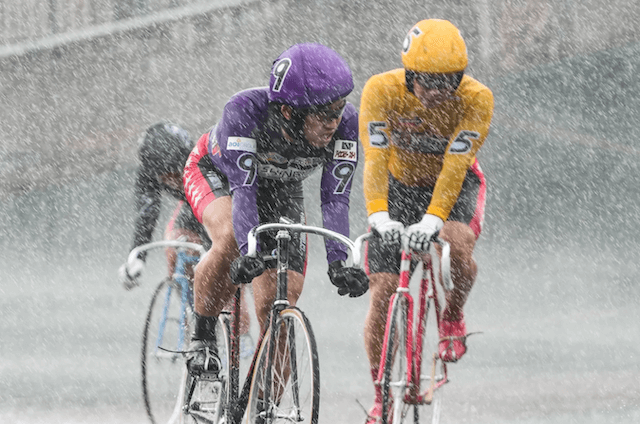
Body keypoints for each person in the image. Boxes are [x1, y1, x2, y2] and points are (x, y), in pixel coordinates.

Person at [182, 43, 369, 374]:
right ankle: (203, 337)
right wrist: (247, 250)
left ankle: (264, 408)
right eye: (324, 114)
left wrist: (339, 261)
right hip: (220, 174)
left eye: (339, 109)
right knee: (228, 239)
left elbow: (335, 197)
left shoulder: (345, 123)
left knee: (281, 302)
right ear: (288, 112)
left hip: (281, 188)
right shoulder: (244, 111)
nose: (334, 122)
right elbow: (244, 188)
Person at [359, 19, 493, 422]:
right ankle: (381, 392)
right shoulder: (381, 90)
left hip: (455, 185)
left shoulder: (476, 99)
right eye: (426, 82)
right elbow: (376, 158)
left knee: (454, 247)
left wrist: (434, 219)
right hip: (398, 187)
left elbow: (456, 166)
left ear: (460, 79)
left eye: (447, 83)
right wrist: (379, 214)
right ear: (409, 73)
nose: (436, 93)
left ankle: (452, 313)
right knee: (382, 290)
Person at [117, 121, 254, 357]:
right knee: (174, 247)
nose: (174, 179)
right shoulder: (149, 172)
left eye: (176, 172)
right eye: (166, 176)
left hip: (218, 202)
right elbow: (147, 213)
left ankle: (237, 328)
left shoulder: (203, 158)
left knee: (227, 265)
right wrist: (138, 256)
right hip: (191, 208)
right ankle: (197, 313)